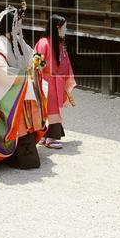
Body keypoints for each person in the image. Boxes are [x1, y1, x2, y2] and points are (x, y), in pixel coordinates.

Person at [0, 5, 47, 170]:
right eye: (17, 23)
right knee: (18, 122)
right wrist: (23, 75)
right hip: (7, 91)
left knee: (27, 119)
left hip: (20, 88)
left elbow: (31, 55)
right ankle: (16, 156)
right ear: (9, 24)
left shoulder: (18, 41)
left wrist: (36, 61)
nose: (20, 26)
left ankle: (23, 155)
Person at [35, 14, 76, 150]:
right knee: (50, 108)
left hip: (57, 81)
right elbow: (36, 62)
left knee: (52, 108)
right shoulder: (43, 43)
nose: (66, 30)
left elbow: (66, 63)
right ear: (57, 28)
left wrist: (66, 78)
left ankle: (45, 135)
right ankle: (50, 137)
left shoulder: (60, 44)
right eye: (65, 27)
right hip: (46, 81)